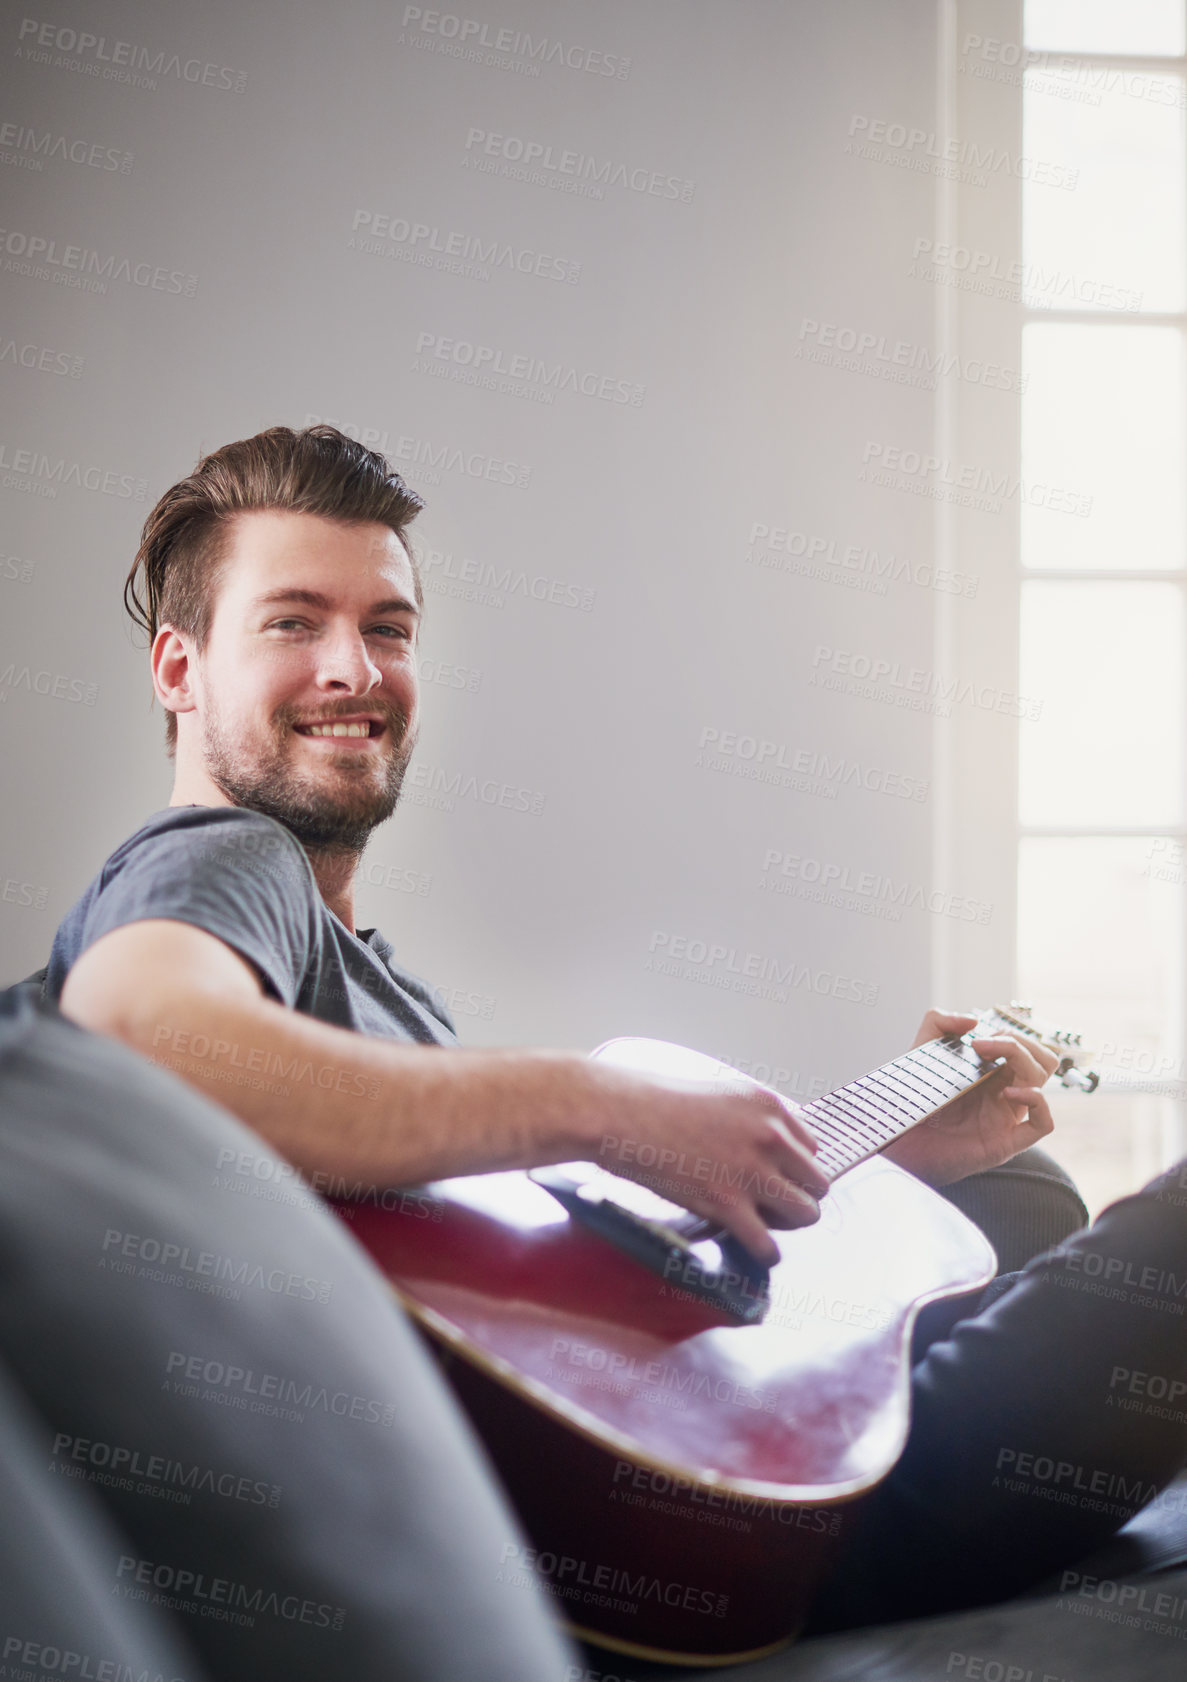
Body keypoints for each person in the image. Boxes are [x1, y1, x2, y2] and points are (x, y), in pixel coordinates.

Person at [37, 426, 1187, 1642]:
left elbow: (596, 1308)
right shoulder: (224, 854)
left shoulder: (366, 1001)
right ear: (177, 668)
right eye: (291, 621)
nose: (354, 667)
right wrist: (608, 1105)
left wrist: (862, 1165)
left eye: (387, 627)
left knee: (1017, 1189)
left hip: (719, 1464)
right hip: (733, 1517)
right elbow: (137, 1037)